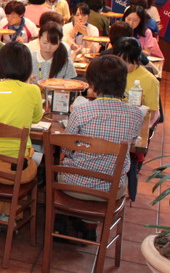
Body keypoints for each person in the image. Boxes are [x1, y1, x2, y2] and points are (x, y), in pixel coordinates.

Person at [0, 43, 44, 229]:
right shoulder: (32, 91)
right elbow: (37, 118)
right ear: (27, 66)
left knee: (1, 160)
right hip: (16, 170)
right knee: (32, 159)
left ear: (0, 64)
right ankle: (10, 215)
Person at [60, 55, 144, 201]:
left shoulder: (81, 111)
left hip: (73, 186)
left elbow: (66, 148)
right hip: (111, 190)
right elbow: (130, 143)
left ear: (92, 84)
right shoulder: (136, 114)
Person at [113, 37, 160, 124]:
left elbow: (152, 114)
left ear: (137, 60)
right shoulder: (110, 71)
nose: (121, 66)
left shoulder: (149, 80)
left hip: (133, 122)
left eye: (126, 63)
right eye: (118, 61)